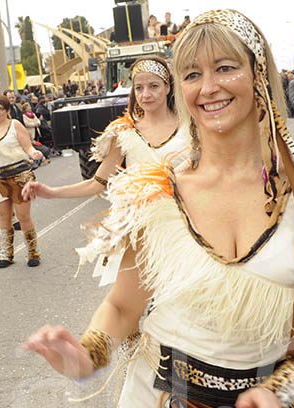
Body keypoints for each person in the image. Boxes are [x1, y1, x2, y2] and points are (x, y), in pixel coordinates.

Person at [23, 10, 294, 408]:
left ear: (259, 71)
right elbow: (123, 306)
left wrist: (281, 387)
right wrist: (87, 353)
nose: (209, 87)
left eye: (225, 67)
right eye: (192, 74)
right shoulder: (156, 189)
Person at [23, 55, 185, 282]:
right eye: (139, 87)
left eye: (154, 86)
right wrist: (51, 192)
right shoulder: (125, 133)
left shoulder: (189, 126)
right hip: (143, 231)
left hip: (187, 227)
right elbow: (96, 183)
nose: (145, 94)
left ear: (168, 87)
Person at [0, 95, 44, 267]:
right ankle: (6, 254)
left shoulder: (15, 125)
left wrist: (34, 153)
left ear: (7, 111)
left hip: (19, 175)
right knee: (4, 216)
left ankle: (33, 252)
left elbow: (28, 146)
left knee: (23, 216)